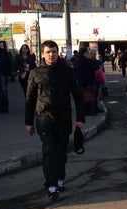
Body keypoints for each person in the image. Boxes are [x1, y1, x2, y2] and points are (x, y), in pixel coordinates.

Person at [25, 40, 86, 200]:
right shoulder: (35, 73)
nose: (51, 55)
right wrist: (28, 122)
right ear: (43, 54)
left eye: (53, 51)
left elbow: (78, 96)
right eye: (48, 52)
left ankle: (60, 178)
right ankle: (51, 185)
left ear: (58, 53)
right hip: (43, 118)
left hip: (63, 118)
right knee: (49, 150)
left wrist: (80, 119)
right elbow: (29, 99)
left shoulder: (67, 72)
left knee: (61, 152)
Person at [74, 47, 99, 115]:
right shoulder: (85, 61)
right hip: (86, 82)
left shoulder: (77, 60)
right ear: (85, 53)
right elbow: (89, 72)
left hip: (79, 82)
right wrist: (89, 84)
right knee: (88, 97)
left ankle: (85, 111)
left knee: (82, 97)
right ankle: (88, 111)